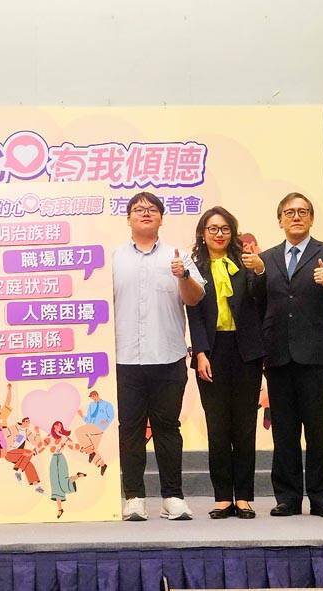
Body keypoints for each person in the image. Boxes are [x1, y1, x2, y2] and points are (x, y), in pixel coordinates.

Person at [245, 192, 323, 518]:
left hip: (318, 357)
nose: (296, 216)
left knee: (319, 431)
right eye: (289, 212)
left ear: (311, 218)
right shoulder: (266, 257)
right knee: (284, 431)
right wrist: (257, 274)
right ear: (279, 219)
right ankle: (288, 498)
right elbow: (258, 303)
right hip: (279, 356)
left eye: (302, 212)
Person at [112, 191, 205, 521]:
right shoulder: (113, 258)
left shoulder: (178, 257)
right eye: (138, 209)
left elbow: (195, 299)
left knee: (168, 428)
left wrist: (183, 276)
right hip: (124, 359)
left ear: (162, 218)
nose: (145, 213)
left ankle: (173, 497)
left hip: (168, 356)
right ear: (128, 219)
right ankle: (134, 496)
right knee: (130, 430)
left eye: (152, 209)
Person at [186, 207, 265, 519]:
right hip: (212, 351)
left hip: (246, 351)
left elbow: (262, 299)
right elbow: (193, 312)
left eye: (224, 229)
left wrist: (258, 271)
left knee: (245, 426)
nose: (218, 234)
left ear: (232, 232)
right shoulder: (195, 267)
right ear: (202, 234)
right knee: (217, 427)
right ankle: (221, 497)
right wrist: (200, 353)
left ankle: (244, 496)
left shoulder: (245, 263)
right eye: (212, 228)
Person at [74, 390, 114, 476]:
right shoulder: (91, 406)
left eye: (93, 396)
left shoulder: (107, 405)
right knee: (93, 449)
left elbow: (111, 416)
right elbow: (88, 420)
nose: (92, 398)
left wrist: (106, 420)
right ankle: (102, 465)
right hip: (92, 428)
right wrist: (81, 415)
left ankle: (89, 451)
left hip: (99, 428)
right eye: (91, 397)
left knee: (79, 431)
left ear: (96, 395)